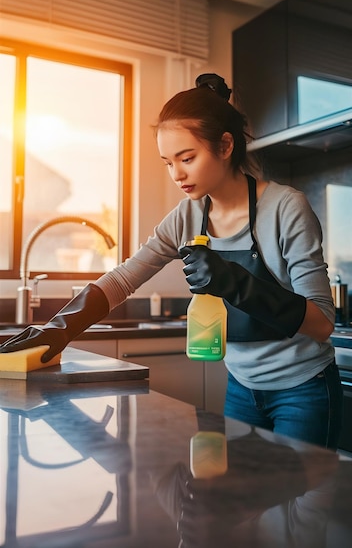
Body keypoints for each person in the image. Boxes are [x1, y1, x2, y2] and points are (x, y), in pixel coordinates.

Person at [0, 73, 342, 449]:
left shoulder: (285, 207)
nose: (177, 174)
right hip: (242, 389)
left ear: (225, 146)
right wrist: (60, 328)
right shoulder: (187, 216)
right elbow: (124, 278)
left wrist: (235, 282)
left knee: (302, 507)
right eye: (167, 162)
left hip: (304, 391)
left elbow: (322, 323)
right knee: (246, 503)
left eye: (187, 158)